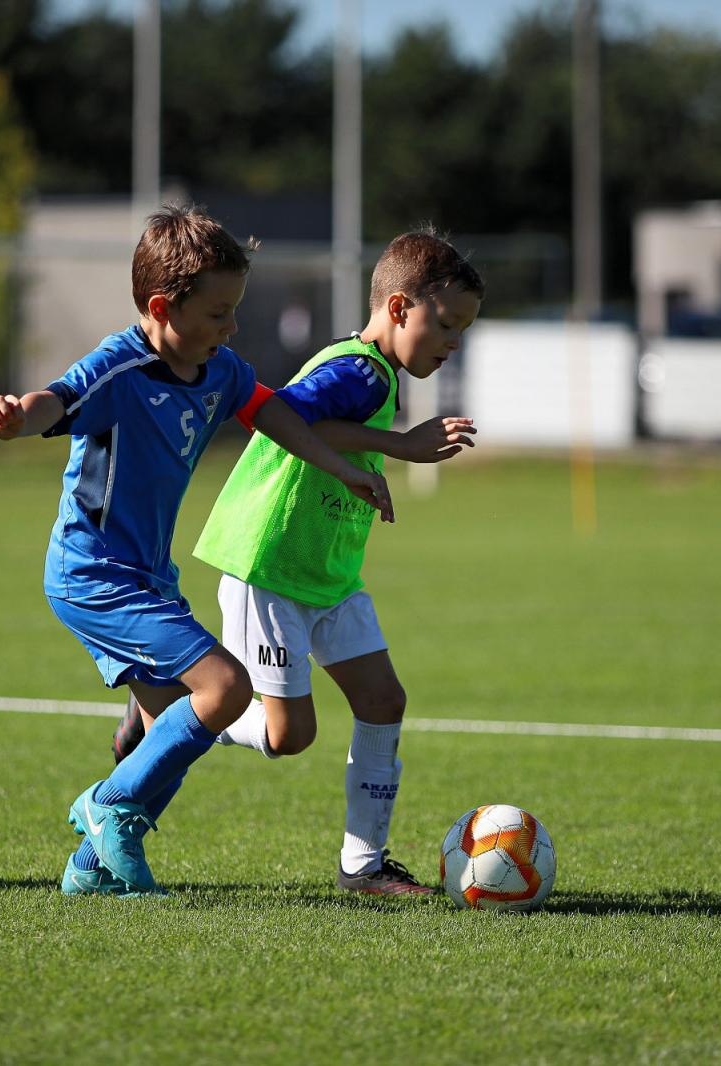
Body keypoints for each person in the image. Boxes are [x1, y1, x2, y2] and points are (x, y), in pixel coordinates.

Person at [0, 204, 394, 898]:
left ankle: (93, 869)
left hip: (146, 575)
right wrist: (21, 417)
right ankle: (109, 804)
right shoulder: (122, 366)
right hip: (93, 573)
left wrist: (343, 465)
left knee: (167, 726)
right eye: (217, 313)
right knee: (226, 687)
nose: (230, 328)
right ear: (161, 306)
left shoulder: (219, 371)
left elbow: (274, 413)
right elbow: (58, 398)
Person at [115, 227, 483, 895]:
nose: (452, 343)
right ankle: (166, 711)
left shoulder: (374, 372)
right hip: (273, 564)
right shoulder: (356, 368)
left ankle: (363, 866)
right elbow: (281, 415)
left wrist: (367, 467)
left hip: (328, 570)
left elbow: (326, 433)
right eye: (446, 323)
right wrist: (397, 448)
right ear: (399, 308)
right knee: (289, 736)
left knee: (383, 699)